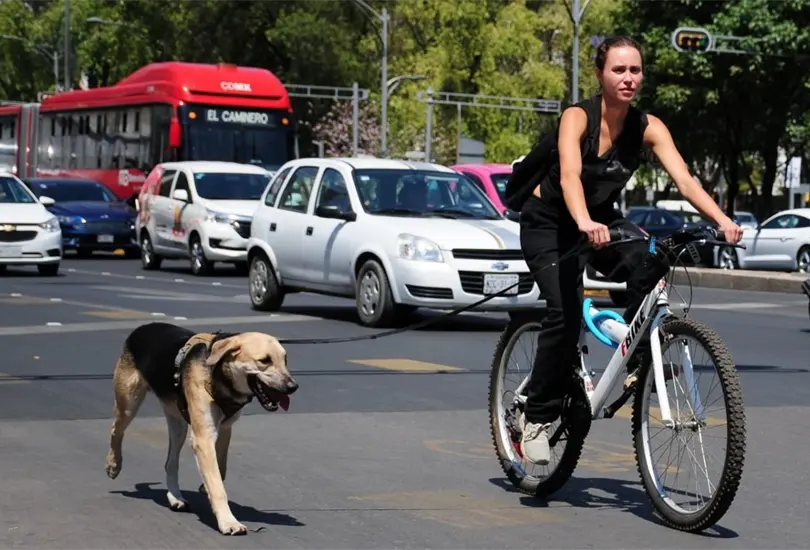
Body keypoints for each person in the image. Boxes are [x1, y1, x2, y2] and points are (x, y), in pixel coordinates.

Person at [517, 36, 743, 466]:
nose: (628, 78)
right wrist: (583, 222)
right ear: (600, 74)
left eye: (635, 70)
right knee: (564, 315)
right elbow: (569, 176)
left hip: (602, 220)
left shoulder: (648, 127)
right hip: (550, 222)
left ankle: (640, 362)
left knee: (650, 257)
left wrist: (722, 220)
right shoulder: (577, 117)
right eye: (618, 70)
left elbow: (686, 181)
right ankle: (537, 418)